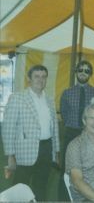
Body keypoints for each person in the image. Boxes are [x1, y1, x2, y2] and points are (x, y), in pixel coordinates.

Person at [1, 65, 60, 201]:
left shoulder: (50, 100)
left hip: (46, 149)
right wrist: (10, 155)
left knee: (41, 187)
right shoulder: (17, 98)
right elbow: (8, 128)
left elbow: (54, 128)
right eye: (37, 76)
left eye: (44, 77)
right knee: (19, 188)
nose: (40, 80)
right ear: (29, 79)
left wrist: (56, 152)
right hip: (24, 152)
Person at [59, 60, 94, 200]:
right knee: (66, 168)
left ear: (90, 74)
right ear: (76, 72)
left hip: (89, 135)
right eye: (81, 70)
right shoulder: (67, 93)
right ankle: (64, 198)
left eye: (87, 71)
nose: (83, 73)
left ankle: (87, 197)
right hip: (71, 133)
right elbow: (64, 114)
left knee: (88, 168)